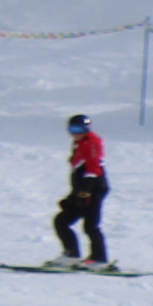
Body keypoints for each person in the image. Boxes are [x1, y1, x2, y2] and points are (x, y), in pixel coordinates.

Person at [54, 113, 111, 269]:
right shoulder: (78, 143)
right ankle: (71, 254)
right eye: (73, 129)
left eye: (80, 129)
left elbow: (92, 169)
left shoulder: (92, 142)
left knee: (91, 226)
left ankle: (99, 259)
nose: (76, 132)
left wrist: (84, 193)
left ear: (88, 129)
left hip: (94, 188)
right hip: (82, 190)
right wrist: (73, 197)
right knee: (61, 221)